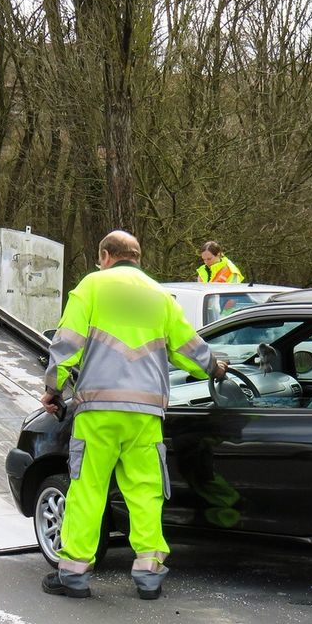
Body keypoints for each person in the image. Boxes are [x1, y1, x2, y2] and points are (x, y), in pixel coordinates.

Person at [41, 230, 225, 600]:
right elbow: (188, 346)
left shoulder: (91, 287)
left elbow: (68, 343)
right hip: (145, 413)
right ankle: (148, 573)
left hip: (99, 411)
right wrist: (215, 368)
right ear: (137, 258)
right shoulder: (161, 296)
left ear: (106, 255)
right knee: (145, 491)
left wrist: (53, 388)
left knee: (89, 489)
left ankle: (74, 573)